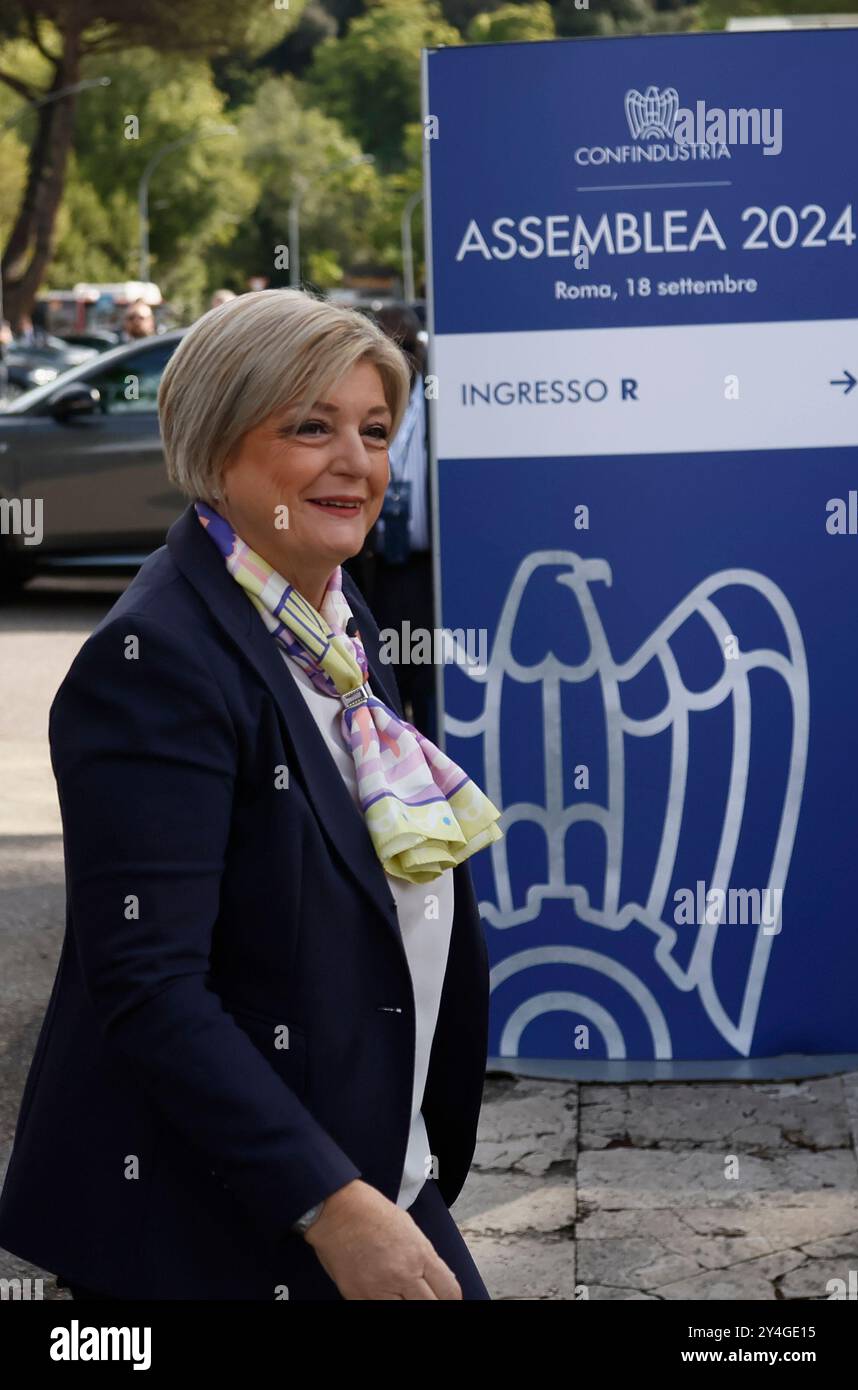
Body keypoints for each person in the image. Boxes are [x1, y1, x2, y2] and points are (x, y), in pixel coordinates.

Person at [0, 288, 503, 1301]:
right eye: (309, 426)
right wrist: (329, 1204)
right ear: (216, 442)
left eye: (372, 429)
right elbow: (150, 989)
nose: (356, 462)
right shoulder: (156, 663)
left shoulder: (330, 610)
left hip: (374, 1168)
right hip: (227, 1226)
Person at [344, 303, 436, 739]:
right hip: (374, 572)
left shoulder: (440, 404)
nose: (401, 358)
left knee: (433, 687)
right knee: (381, 687)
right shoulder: (360, 407)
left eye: (407, 346)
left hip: (430, 575)